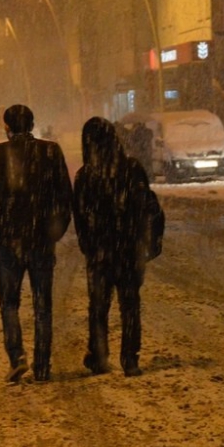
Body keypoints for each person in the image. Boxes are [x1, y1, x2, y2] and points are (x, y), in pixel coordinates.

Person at [0, 105, 73, 383]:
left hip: (9, 240)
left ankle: (17, 356)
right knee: (42, 304)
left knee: (9, 302)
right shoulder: (50, 151)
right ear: (32, 124)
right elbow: (64, 196)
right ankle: (43, 365)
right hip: (41, 240)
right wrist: (54, 232)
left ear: (6, 127)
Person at [72, 117, 163, 377]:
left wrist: (89, 246)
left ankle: (99, 355)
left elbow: (80, 217)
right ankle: (130, 358)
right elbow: (149, 207)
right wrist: (146, 241)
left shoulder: (85, 176)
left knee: (99, 306)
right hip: (129, 250)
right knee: (130, 305)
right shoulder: (132, 169)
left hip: (100, 253)